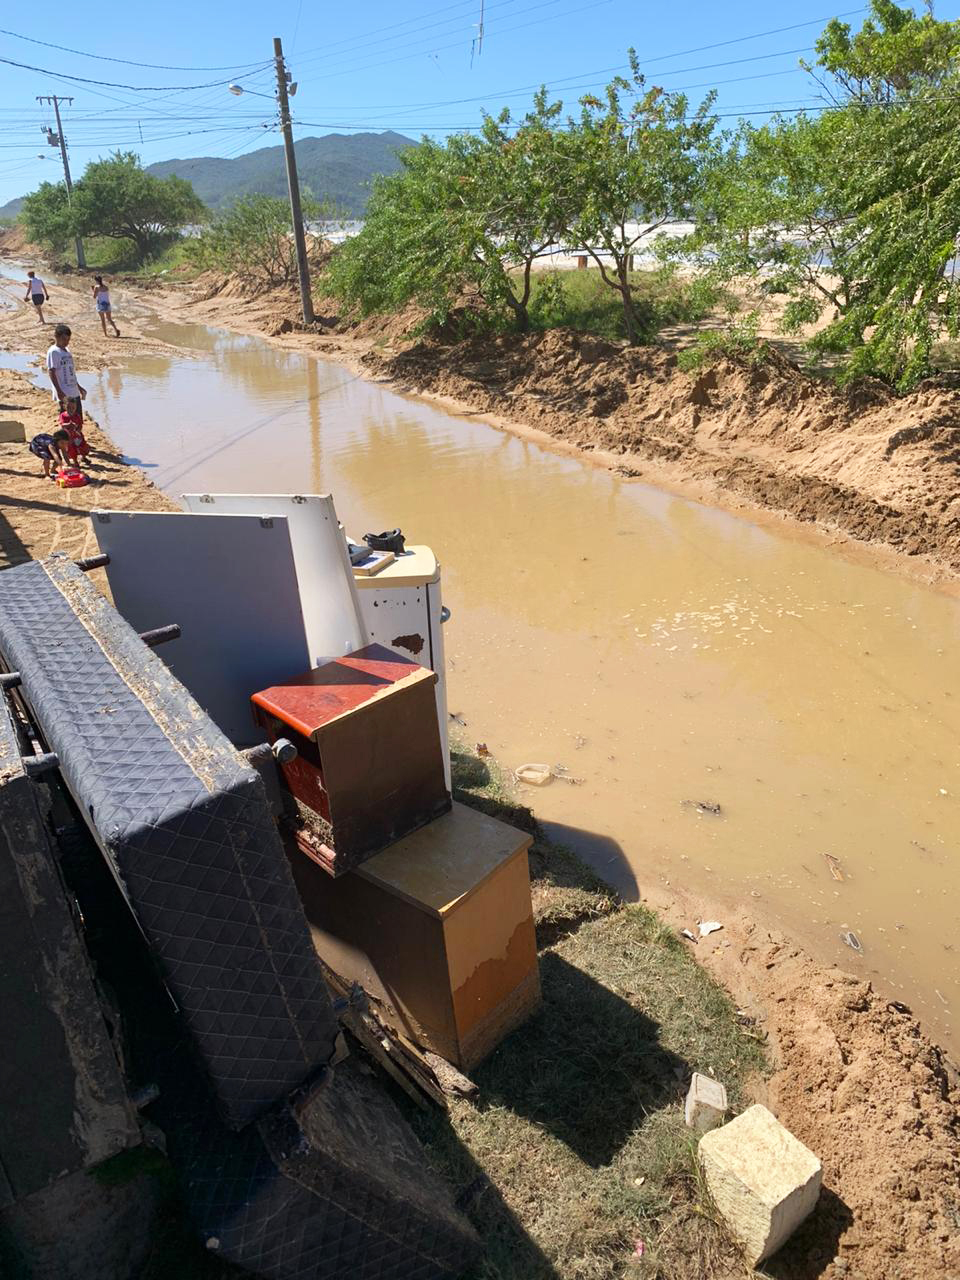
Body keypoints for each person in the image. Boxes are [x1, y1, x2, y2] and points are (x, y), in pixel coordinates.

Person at [46, 324, 86, 420]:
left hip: (74, 391)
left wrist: (79, 387)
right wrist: (59, 391)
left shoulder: (67, 351)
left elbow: (71, 371)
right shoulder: (53, 352)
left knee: (78, 419)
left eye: (68, 340)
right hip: (64, 393)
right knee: (67, 420)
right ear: (56, 337)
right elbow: (51, 371)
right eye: (64, 339)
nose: (66, 342)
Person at [58, 397, 91, 465]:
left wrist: (78, 430)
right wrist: (69, 424)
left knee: (83, 446)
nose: (71, 409)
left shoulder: (77, 415)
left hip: (77, 435)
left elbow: (80, 424)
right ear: (64, 406)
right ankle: (75, 462)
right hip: (69, 436)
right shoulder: (63, 415)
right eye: (69, 407)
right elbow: (62, 425)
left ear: (76, 407)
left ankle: (83, 457)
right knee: (72, 450)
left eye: (73, 408)